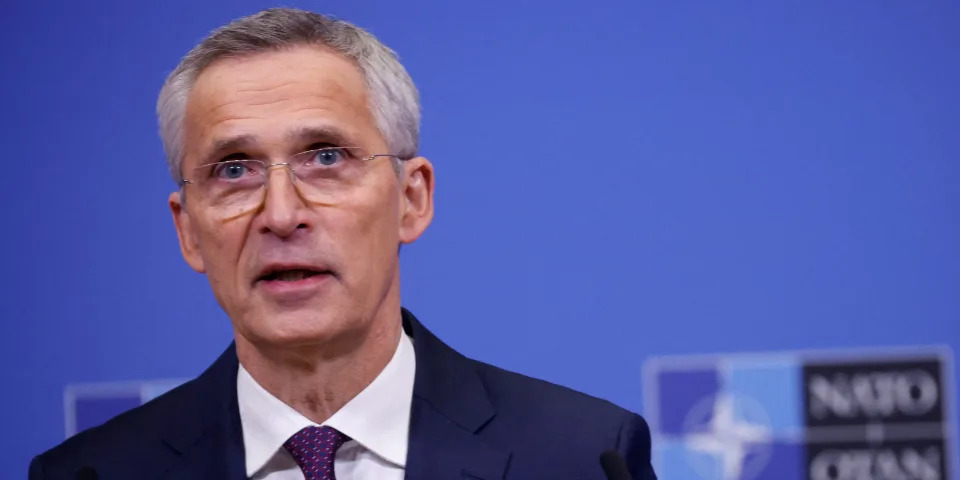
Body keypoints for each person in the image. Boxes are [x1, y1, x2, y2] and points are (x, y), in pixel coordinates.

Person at [29, 8, 656, 480]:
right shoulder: (90, 473)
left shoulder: (582, 456)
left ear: (412, 198)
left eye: (325, 157)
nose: (279, 215)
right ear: (188, 229)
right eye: (234, 169)